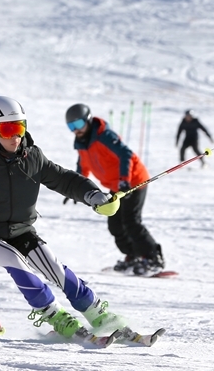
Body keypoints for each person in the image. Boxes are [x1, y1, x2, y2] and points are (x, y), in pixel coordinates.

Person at [0, 96, 136, 341]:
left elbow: (63, 178)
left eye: (20, 127)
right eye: (8, 129)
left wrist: (93, 195)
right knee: (15, 261)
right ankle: (55, 315)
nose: (16, 136)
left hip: (21, 231)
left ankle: (97, 313)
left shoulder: (31, 157)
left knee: (54, 267)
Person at [65, 103, 164, 276]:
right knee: (115, 224)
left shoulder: (104, 136)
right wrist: (75, 188)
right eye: (71, 126)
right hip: (115, 185)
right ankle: (132, 255)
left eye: (79, 124)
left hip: (134, 180)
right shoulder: (82, 143)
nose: (76, 130)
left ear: (88, 120)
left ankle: (153, 258)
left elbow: (126, 154)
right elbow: (83, 165)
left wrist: (125, 180)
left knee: (131, 221)